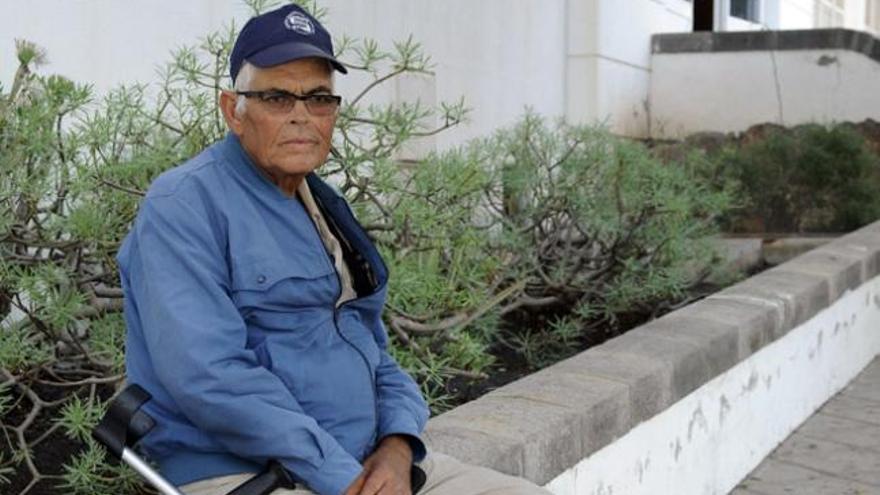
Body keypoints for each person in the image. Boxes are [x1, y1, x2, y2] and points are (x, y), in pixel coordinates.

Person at [118, 4, 552, 495]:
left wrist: (398, 445)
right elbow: (211, 379)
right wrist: (342, 477)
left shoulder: (323, 204)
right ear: (232, 110)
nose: (302, 116)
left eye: (319, 98)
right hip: (246, 472)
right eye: (277, 97)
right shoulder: (183, 205)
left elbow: (371, 347)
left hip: (364, 460)